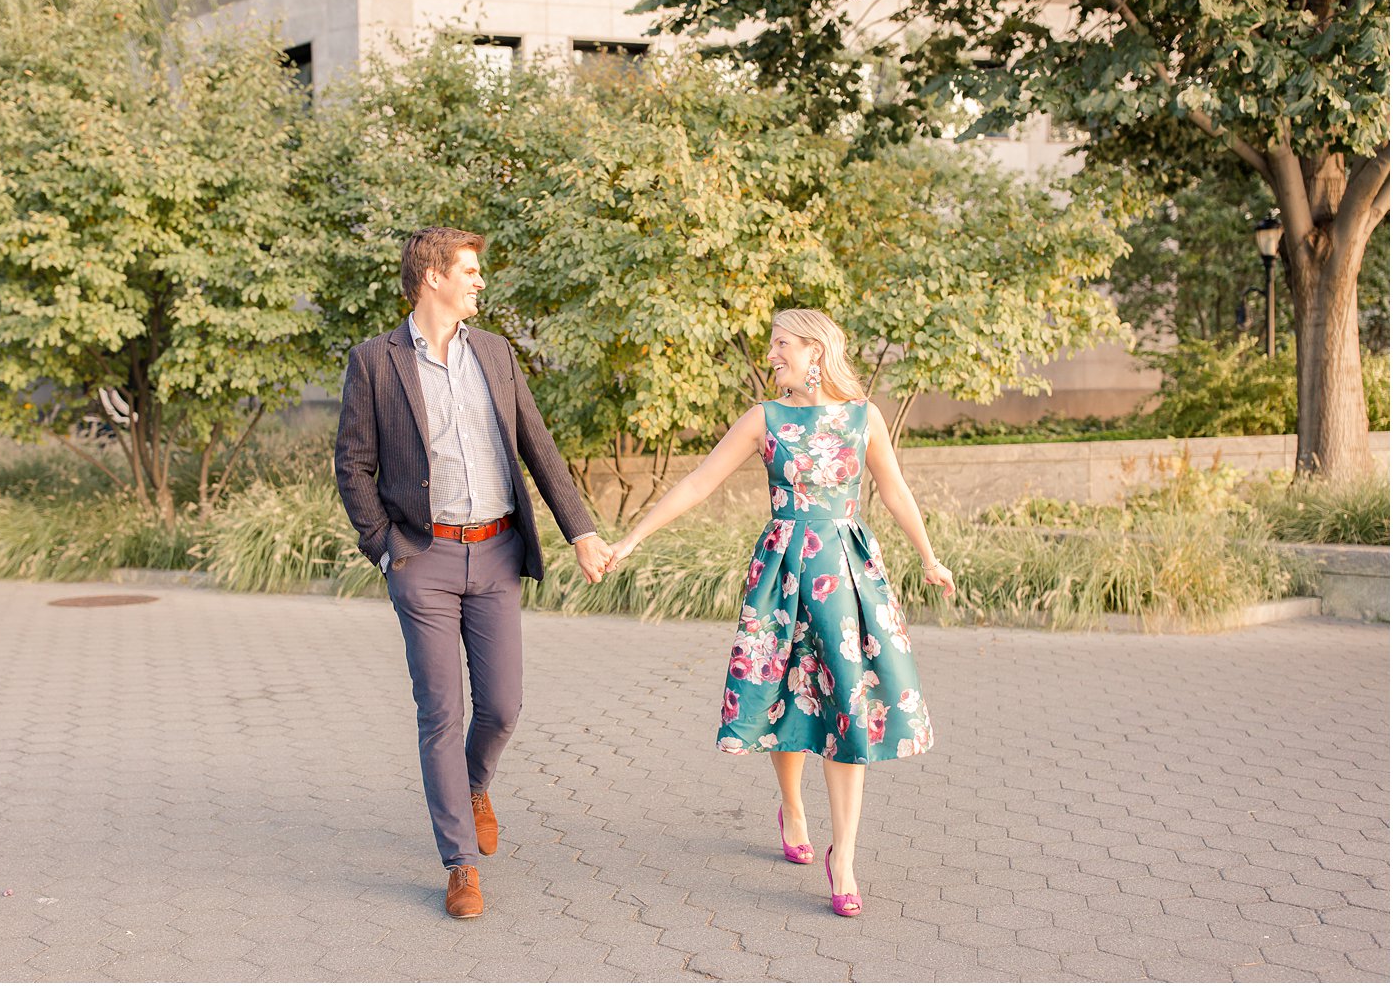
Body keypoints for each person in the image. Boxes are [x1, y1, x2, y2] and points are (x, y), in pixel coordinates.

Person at [604, 308, 955, 917]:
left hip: (845, 575)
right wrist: (632, 539)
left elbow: (895, 489)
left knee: (847, 705)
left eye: (781, 344)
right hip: (783, 576)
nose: (773, 355)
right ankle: (793, 807)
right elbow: (698, 484)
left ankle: (842, 856)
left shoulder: (863, 417)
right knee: (786, 694)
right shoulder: (763, 419)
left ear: (815, 351)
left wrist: (930, 557)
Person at [335, 226, 614, 919]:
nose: (479, 281)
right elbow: (353, 463)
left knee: (501, 707)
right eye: (468, 270)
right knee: (441, 711)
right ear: (432, 278)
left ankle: (474, 782)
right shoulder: (374, 362)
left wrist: (580, 530)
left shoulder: (494, 352)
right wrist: (385, 548)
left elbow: (538, 445)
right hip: (422, 559)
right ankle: (459, 863)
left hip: (494, 552)